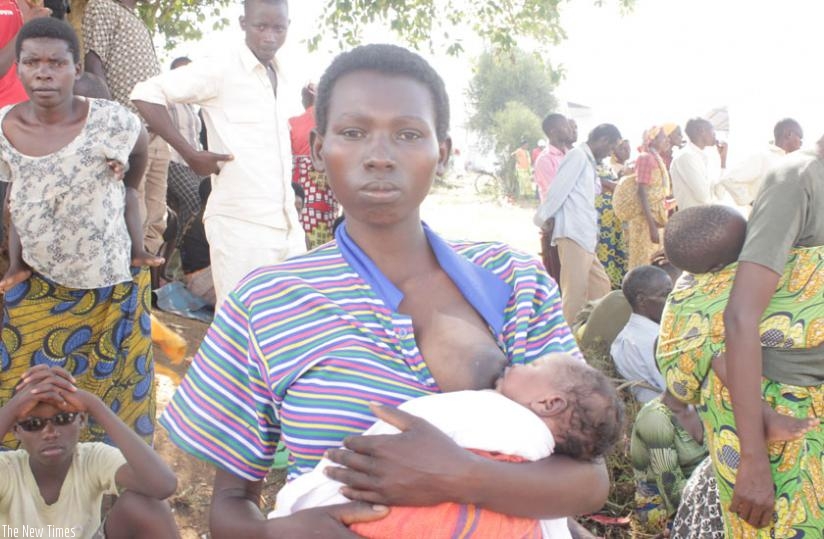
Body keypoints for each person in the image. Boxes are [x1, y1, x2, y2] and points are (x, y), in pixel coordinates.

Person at [159, 43, 608, 538]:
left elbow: (588, 480)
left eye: (409, 134)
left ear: (443, 152)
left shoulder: (513, 279)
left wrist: (457, 474)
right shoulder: (268, 302)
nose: (378, 156)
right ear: (317, 150)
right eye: (353, 132)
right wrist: (279, 533)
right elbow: (229, 506)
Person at [0, 18, 161, 448]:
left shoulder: (112, 121)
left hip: (112, 288)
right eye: (32, 61)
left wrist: (126, 184)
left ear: (75, 68)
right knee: (25, 391)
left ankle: (111, 487)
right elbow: (15, 194)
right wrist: (15, 262)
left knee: (116, 395)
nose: (44, 72)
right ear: (18, 68)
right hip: (38, 286)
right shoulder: (4, 127)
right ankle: (31, 484)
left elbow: (140, 153)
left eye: (56, 62)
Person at [273, 353, 624, 539]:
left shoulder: (493, 414)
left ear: (550, 403)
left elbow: (417, 424)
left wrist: (297, 504)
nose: (515, 361)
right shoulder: (541, 464)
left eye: (532, 365)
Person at [658, 194, 824, 536]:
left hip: (732, 430)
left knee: (756, 522)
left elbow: (679, 385)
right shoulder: (783, 274)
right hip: (792, 414)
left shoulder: (682, 299)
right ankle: (764, 416)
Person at [131, 0, 305, 307]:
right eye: (260, 26)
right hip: (241, 225)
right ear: (242, 24)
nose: (269, 36)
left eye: (278, 27)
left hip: (288, 224)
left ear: (288, 26)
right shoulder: (221, 68)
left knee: (288, 325)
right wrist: (189, 152)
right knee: (238, 326)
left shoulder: (283, 74)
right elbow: (145, 94)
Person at [0, 366, 179, 538]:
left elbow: (163, 485)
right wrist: (13, 408)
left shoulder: (91, 458)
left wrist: (93, 405)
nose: (50, 433)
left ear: (82, 420)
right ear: (15, 429)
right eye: (33, 424)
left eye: (63, 418)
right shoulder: (7, 468)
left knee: (146, 506)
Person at [83, 0, 170, 256]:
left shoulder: (136, 17)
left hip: (156, 132)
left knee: (156, 218)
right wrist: (111, 125)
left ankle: (146, 287)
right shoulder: (102, 6)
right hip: (128, 131)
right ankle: (128, 286)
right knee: (132, 213)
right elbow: (94, 66)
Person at [534, 123, 622, 324]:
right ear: (603, 140)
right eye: (610, 148)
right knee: (574, 293)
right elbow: (558, 190)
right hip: (574, 233)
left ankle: (592, 333)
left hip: (585, 235)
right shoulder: (577, 156)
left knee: (601, 286)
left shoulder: (588, 161)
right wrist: (542, 219)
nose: (610, 154)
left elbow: (592, 190)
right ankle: (570, 341)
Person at [630, 389, 707, 535]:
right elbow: (672, 488)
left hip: (701, 488)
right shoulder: (655, 417)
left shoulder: (705, 405)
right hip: (661, 503)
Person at [289, 82, 340, 248]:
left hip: (300, 194)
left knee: (301, 239)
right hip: (326, 194)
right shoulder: (333, 122)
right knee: (325, 242)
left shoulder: (291, 124)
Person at [610, 265, 671, 403]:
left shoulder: (628, 335)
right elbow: (681, 393)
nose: (672, 301)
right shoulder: (651, 340)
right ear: (641, 300)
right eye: (665, 295)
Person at [164, 56, 206, 248]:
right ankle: (181, 249)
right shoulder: (167, 99)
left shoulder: (191, 103)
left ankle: (197, 251)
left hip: (193, 163)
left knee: (210, 199)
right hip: (172, 160)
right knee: (194, 199)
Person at [717, 118, 803, 206]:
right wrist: (753, 203)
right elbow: (729, 179)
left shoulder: (790, 160)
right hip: (764, 219)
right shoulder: (762, 157)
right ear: (789, 134)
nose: (800, 144)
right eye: (800, 138)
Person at [626, 127, 671, 269]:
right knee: (642, 262)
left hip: (656, 218)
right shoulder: (645, 158)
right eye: (663, 137)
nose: (667, 140)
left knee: (656, 260)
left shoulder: (657, 158)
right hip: (645, 221)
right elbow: (642, 191)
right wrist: (651, 226)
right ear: (653, 140)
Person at [669, 117, 727, 210]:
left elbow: (720, 194)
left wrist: (723, 160)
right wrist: (714, 192)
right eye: (712, 131)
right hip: (694, 220)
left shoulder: (705, 157)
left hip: (704, 218)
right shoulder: (686, 157)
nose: (715, 135)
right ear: (701, 131)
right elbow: (704, 198)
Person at [595, 139, 629, 289]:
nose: (610, 151)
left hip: (613, 218)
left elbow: (615, 186)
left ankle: (616, 285)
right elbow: (608, 186)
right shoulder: (588, 166)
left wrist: (610, 185)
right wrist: (609, 185)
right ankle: (605, 286)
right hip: (601, 218)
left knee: (616, 249)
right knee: (604, 250)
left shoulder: (605, 166)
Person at [534, 113, 572, 203]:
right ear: (553, 131)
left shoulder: (571, 155)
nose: (570, 130)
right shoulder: (544, 160)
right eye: (565, 127)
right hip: (557, 214)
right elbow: (556, 192)